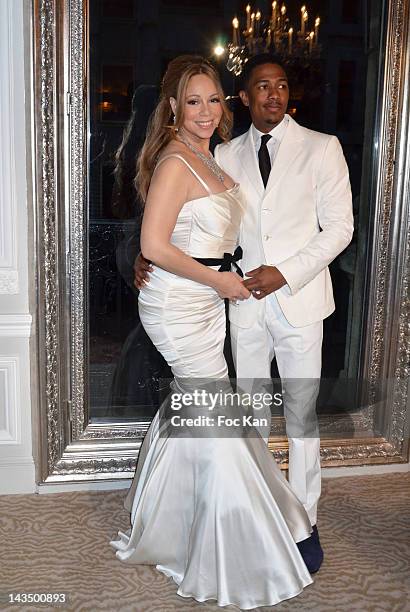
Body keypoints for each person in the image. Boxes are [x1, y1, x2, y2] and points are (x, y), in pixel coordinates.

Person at [135, 53, 354, 572]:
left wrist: (286, 271)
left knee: (300, 417)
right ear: (247, 97)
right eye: (261, 86)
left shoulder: (323, 148)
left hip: (299, 301)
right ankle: (258, 511)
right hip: (237, 306)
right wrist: (147, 254)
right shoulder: (220, 152)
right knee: (246, 414)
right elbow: (183, 217)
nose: (272, 95)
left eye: (280, 86)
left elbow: (340, 229)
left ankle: (303, 515)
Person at [111, 54, 314, 609]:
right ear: (174, 107)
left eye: (213, 99)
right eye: (193, 101)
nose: (205, 110)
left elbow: (213, 229)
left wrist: (220, 276)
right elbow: (155, 245)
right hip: (180, 301)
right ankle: (235, 542)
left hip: (204, 293)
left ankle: (170, 520)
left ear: (225, 105)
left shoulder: (216, 156)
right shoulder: (177, 161)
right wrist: (216, 281)